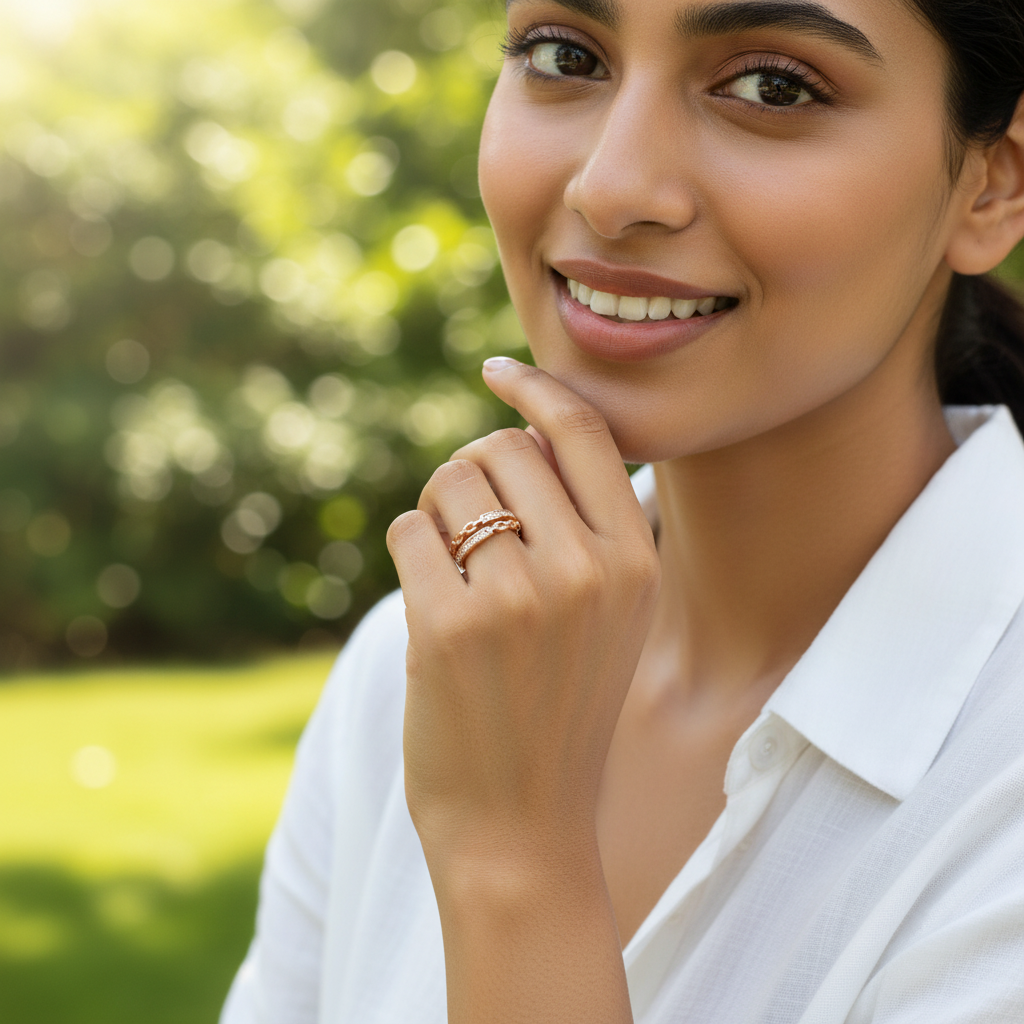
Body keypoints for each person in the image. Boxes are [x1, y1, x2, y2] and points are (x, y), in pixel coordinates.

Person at [221, 0, 1024, 1020]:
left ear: (993, 182)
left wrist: (516, 864)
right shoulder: (418, 663)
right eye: (564, 56)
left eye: (772, 87)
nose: (609, 188)